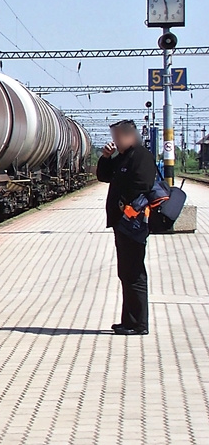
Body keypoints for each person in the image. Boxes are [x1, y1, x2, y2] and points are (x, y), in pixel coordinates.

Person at [96, 119, 157, 335]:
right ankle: (128, 320)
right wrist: (105, 157)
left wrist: (124, 206)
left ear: (129, 135)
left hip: (134, 224)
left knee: (134, 274)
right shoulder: (124, 157)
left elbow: (142, 186)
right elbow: (103, 176)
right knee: (126, 273)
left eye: (117, 137)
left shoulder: (141, 156)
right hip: (123, 224)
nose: (115, 141)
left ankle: (139, 324)